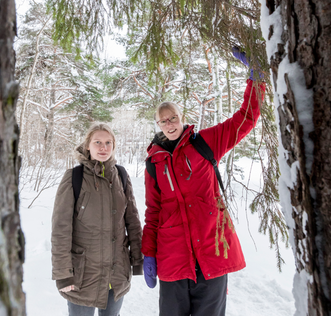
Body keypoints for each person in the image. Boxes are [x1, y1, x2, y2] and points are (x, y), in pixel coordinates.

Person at [142, 48, 266, 316]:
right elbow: (153, 212)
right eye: (163, 121)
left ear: (181, 117)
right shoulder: (153, 163)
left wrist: (256, 81)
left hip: (211, 250)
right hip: (172, 260)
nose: (169, 123)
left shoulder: (204, 143)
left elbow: (245, 119)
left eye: (173, 117)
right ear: (158, 125)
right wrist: (148, 253)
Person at [51, 123, 143, 316]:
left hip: (116, 274)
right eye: (98, 142)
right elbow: (61, 230)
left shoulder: (122, 176)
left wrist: (138, 260)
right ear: (88, 146)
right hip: (83, 277)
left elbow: (133, 222)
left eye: (108, 142)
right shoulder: (74, 177)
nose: (103, 147)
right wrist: (63, 274)